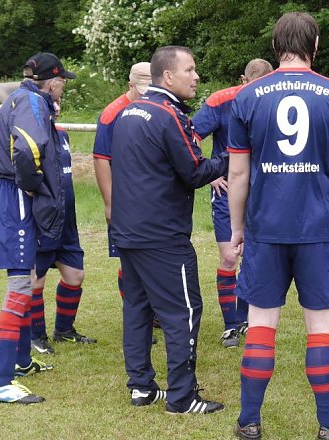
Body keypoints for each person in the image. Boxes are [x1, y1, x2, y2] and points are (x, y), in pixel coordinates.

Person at [227, 12, 329, 440]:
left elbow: (239, 173)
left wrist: (236, 228)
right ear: (315, 45)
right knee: (321, 326)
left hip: (265, 227)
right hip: (317, 225)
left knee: (261, 323)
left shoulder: (248, 96)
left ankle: (249, 422)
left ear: (275, 45)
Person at [110, 46, 226, 414]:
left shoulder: (128, 112)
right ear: (168, 77)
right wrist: (234, 157)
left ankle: (141, 386)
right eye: (190, 70)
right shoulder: (167, 115)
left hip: (128, 230)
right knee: (184, 312)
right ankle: (182, 397)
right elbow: (194, 172)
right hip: (162, 235)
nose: (196, 77)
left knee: (138, 310)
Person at [0, 52, 75, 403]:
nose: (63, 88)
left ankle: (22, 362)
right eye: (63, 81)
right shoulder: (33, 101)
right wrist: (26, 184)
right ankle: (2, 383)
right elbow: (28, 149)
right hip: (15, 196)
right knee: (19, 283)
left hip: (9, 192)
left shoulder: (15, 97)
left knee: (27, 277)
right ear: (53, 81)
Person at [191, 58, 273, 348]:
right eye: (253, 86)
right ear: (242, 81)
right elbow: (191, 135)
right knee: (229, 256)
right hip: (227, 190)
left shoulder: (276, 98)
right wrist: (209, 173)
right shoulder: (220, 101)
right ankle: (230, 327)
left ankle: (245, 318)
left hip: (263, 190)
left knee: (255, 255)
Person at [28, 92, 96, 355]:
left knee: (75, 275)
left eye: (57, 104)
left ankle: (64, 330)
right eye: (51, 105)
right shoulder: (30, 138)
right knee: (36, 280)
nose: (56, 108)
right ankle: (36, 336)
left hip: (67, 221)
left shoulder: (62, 134)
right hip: (43, 220)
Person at [92, 62, 152, 304]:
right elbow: (101, 158)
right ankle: (135, 311)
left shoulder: (156, 106)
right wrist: (110, 202)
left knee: (152, 257)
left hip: (151, 197)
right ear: (130, 85)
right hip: (125, 199)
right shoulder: (112, 113)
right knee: (128, 259)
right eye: (143, 89)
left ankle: (152, 310)